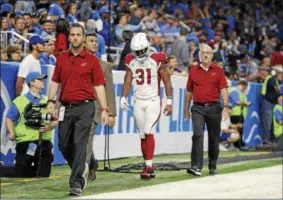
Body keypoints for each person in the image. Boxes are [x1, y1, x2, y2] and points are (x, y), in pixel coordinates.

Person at [46, 23, 109, 197]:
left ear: (82, 38)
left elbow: (99, 86)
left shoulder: (92, 60)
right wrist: (51, 101)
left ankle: (76, 183)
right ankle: (87, 165)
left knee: (80, 144)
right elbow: (55, 82)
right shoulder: (62, 58)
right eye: (72, 35)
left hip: (86, 107)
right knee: (63, 144)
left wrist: (104, 108)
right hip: (65, 107)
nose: (75, 37)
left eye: (78, 35)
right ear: (69, 37)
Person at [120, 32, 172, 179]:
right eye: (136, 51)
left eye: (141, 50)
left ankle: (148, 166)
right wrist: (123, 97)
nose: (139, 54)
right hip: (138, 100)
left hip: (153, 100)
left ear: (148, 47)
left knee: (149, 131)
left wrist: (169, 101)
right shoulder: (130, 59)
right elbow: (127, 80)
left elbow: (167, 81)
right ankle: (148, 164)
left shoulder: (157, 59)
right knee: (142, 135)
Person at [0, 71, 57, 178]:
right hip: (26, 142)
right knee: (20, 173)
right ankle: (2, 169)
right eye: (39, 79)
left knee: (44, 174)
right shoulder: (20, 101)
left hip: (44, 141)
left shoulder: (47, 100)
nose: (42, 81)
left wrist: (49, 127)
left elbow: (54, 120)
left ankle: (37, 171)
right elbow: (9, 118)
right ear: (31, 82)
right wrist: (11, 132)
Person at [184, 43, 229, 176]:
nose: (205, 55)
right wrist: (186, 108)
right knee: (197, 134)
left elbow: (224, 89)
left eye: (207, 53)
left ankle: (212, 165)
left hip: (215, 108)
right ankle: (196, 166)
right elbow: (189, 91)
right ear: (199, 55)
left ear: (212, 55)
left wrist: (225, 107)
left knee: (214, 138)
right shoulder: (193, 70)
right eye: (202, 52)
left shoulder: (219, 71)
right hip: (197, 108)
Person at [84, 30, 117, 181]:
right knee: (73, 141)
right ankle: (92, 163)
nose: (95, 43)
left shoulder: (104, 66)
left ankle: (81, 173)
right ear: (83, 43)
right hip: (75, 106)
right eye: (91, 40)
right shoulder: (74, 62)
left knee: (86, 140)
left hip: (95, 108)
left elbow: (109, 89)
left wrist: (112, 113)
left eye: (96, 41)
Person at [260, 67, 282, 144]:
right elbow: (276, 89)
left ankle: (271, 140)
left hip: (272, 103)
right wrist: (280, 94)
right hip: (268, 103)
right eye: (280, 74)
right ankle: (267, 140)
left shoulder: (276, 80)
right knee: (268, 122)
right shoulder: (272, 78)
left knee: (272, 122)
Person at [229, 80, 252, 150]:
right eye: (245, 87)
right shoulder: (234, 90)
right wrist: (246, 103)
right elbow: (237, 102)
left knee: (239, 130)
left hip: (238, 114)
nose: (245, 89)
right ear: (243, 85)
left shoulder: (238, 92)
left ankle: (240, 144)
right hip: (235, 114)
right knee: (236, 130)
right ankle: (238, 145)